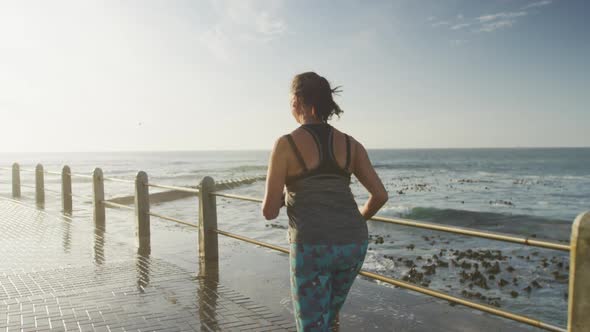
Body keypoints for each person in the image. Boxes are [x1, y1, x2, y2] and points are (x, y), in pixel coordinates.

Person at [262, 72, 388, 331]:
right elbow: (380, 195)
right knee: (329, 318)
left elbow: (269, 211)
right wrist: (356, 220)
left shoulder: (285, 144)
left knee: (312, 326)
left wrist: (286, 196)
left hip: (312, 247)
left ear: (297, 100)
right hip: (353, 244)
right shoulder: (352, 144)